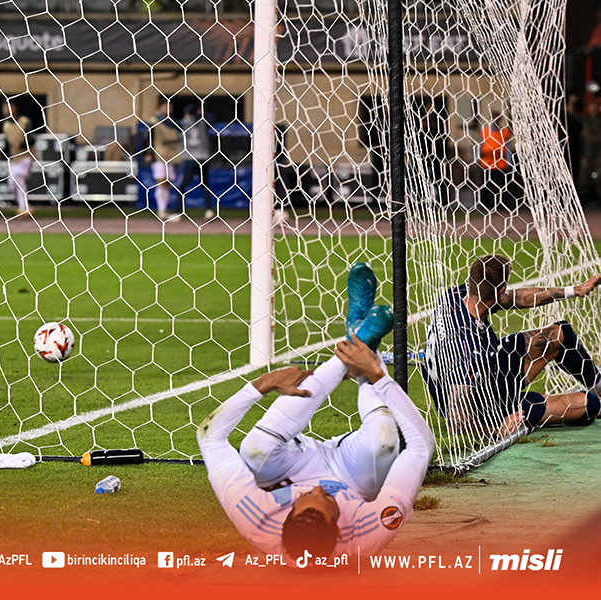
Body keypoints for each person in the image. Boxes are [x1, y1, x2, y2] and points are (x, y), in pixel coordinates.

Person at [199, 264, 434, 562]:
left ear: (283, 518)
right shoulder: (367, 535)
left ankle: (355, 343)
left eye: (305, 498)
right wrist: (378, 377)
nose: (319, 489)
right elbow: (421, 446)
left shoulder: (257, 520)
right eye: (327, 501)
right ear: (340, 533)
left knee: (255, 450)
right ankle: (361, 343)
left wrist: (262, 384)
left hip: (288, 470)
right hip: (354, 478)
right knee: (384, 442)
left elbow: (209, 437)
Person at [423, 255, 601, 436]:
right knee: (589, 403)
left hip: (487, 368)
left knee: (561, 333)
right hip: (482, 405)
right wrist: (499, 430)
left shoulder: (454, 296)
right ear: (500, 291)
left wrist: (573, 290)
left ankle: (599, 385)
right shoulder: (467, 350)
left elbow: (514, 298)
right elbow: (457, 423)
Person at [177, 103, 215, 220]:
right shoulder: (203, 122)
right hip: (203, 158)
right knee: (205, 184)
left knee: (182, 186)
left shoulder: (184, 123)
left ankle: (177, 212)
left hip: (190, 159)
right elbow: (213, 118)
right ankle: (209, 210)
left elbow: (169, 123)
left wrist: (159, 117)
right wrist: (201, 113)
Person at [147, 96, 181, 221]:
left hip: (171, 155)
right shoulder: (154, 121)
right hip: (159, 155)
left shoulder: (173, 123)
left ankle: (164, 209)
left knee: (168, 182)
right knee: (161, 181)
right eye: (166, 106)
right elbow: (147, 136)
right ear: (160, 108)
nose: (169, 109)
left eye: (170, 107)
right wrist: (148, 152)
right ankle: (161, 210)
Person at [1, 100, 34, 216]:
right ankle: (27, 206)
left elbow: (32, 138)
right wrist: (1, 153)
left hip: (26, 156)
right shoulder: (6, 125)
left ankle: (22, 208)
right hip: (14, 158)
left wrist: (22, 145)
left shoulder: (24, 122)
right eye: (5, 108)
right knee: (12, 185)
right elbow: (7, 143)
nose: (7, 111)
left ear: (14, 108)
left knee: (18, 178)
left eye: (9, 108)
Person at [478, 111, 514, 210]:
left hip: (501, 163)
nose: (495, 121)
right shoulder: (485, 132)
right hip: (487, 162)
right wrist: (478, 158)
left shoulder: (504, 133)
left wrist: (509, 162)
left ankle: (502, 206)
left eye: (497, 119)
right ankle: (485, 206)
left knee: (501, 186)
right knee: (486, 186)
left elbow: (508, 148)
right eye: (494, 118)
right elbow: (479, 145)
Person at [578, 100, 601, 204]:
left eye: (594, 107)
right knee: (583, 179)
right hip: (587, 154)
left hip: (599, 154)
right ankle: (582, 200)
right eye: (591, 107)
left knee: (598, 177)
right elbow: (572, 113)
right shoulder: (586, 119)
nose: (593, 109)